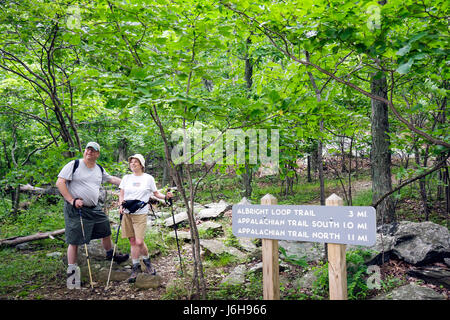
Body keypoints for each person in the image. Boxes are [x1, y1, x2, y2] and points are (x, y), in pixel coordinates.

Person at [56, 142, 129, 285]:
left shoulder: (99, 169)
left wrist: (130, 182)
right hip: (76, 208)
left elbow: (112, 179)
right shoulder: (74, 165)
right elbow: (60, 183)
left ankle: (110, 254)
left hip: (94, 208)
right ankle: (72, 277)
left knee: (105, 228)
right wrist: (72, 200)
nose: (89, 152)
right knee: (74, 240)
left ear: (97, 154)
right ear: (85, 151)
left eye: (93, 150)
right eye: (88, 149)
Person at [118, 153, 173, 283]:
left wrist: (166, 197)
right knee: (132, 241)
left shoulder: (148, 178)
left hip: (141, 213)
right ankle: (135, 267)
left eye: (135, 162)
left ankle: (147, 262)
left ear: (141, 164)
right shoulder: (126, 178)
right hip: (127, 213)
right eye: (131, 162)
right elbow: (121, 194)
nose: (133, 164)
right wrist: (120, 205)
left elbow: (156, 193)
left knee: (139, 241)